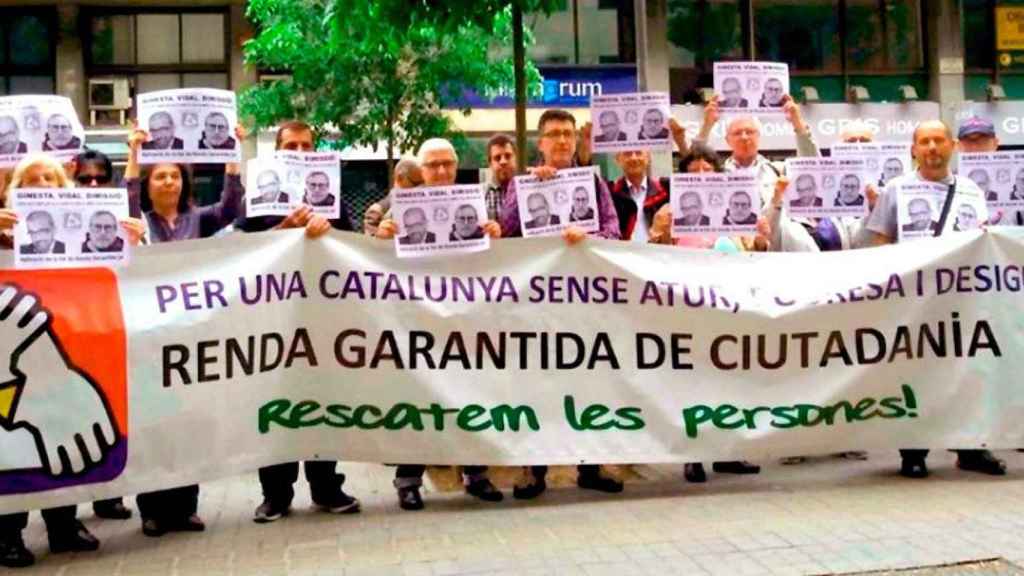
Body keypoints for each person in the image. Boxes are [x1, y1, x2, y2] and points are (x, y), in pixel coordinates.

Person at [860, 119, 1004, 478]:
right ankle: (913, 451)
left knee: (969, 372)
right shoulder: (895, 189)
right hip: (913, 301)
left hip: (963, 301)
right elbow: (879, 240)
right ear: (913, 149)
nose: (932, 148)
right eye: (924, 141)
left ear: (952, 146)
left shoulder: (971, 190)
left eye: (939, 140)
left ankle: (971, 449)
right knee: (915, 373)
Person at [232, 120, 359, 524]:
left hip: (324, 326)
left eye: (307, 145)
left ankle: (327, 487)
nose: (301, 152)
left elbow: (356, 251)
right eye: (292, 146)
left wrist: (331, 233)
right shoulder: (258, 199)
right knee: (277, 407)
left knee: (323, 405)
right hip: (274, 326)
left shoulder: (333, 200)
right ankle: (275, 494)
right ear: (278, 151)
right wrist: (284, 229)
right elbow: (239, 250)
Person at [125, 120, 243, 535]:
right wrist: (135, 150)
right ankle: (153, 511)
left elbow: (231, 207)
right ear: (148, 183)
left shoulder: (200, 219)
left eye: (175, 175)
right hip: (149, 338)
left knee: (190, 423)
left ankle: (186, 506)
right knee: (154, 424)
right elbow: (125, 199)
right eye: (161, 176)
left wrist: (234, 154)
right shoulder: (137, 225)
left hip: (191, 336)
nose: (169, 182)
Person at [500, 108, 624, 499]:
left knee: (586, 382)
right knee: (538, 385)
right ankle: (533, 469)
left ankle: (589, 465)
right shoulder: (521, 184)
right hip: (537, 303)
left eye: (568, 133)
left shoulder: (594, 182)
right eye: (554, 134)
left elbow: (613, 232)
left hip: (584, 301)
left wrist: (587, 236)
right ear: (541, 143)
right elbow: (505, 233)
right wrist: (529, 192)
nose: (563, 141)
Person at [375, 137, 504, 511]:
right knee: (418, 397)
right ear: (421, 170)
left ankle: (476, 475)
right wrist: (381, 239)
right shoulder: (399, 211)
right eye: (433, 165)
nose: (442, 171)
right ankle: (408, 480)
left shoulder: (473, 207)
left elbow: (496, 264)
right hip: (417, 320)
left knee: (470, 394)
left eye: (448, 163)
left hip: (466, 319)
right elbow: (372, 263)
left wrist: (495, 237)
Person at [0, 155, 114, 568]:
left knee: (61, 435)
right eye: (29, 180)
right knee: (10, 447)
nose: (40, 184)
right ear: (13, 190)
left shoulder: (80, 237)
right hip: (9, 364)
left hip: (65, 354)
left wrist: (131, 242)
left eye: (49, 177)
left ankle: (63, 524)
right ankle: (7, 533)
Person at [648, 143, 765, 481]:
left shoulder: (737, 211)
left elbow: (755, 255)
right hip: (688, 311)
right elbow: (650, 257)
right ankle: (694, 454)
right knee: (693, 383)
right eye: (693, 171)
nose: (701, 176)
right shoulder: (669, 212)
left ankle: (729, 452)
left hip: (731, 310)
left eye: (707, 170)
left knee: (731, 381)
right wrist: (661, 233)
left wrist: (760, 241)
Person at [69, 149, 136, 521]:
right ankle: (64, 511)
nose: (93, 185)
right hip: (63, 339)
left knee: (108, 417)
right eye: (84, 179)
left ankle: (108, 497)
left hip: (108, 333)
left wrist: (139, 242)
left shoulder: (122, 225)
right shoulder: (40, 227)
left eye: (100, 179)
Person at [363, 158, 422, 236]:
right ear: (399, 178)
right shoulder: (378, 210)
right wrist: (379, 234)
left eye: (424, 183)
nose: (421, 188)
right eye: (416, 183)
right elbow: (368, 241)